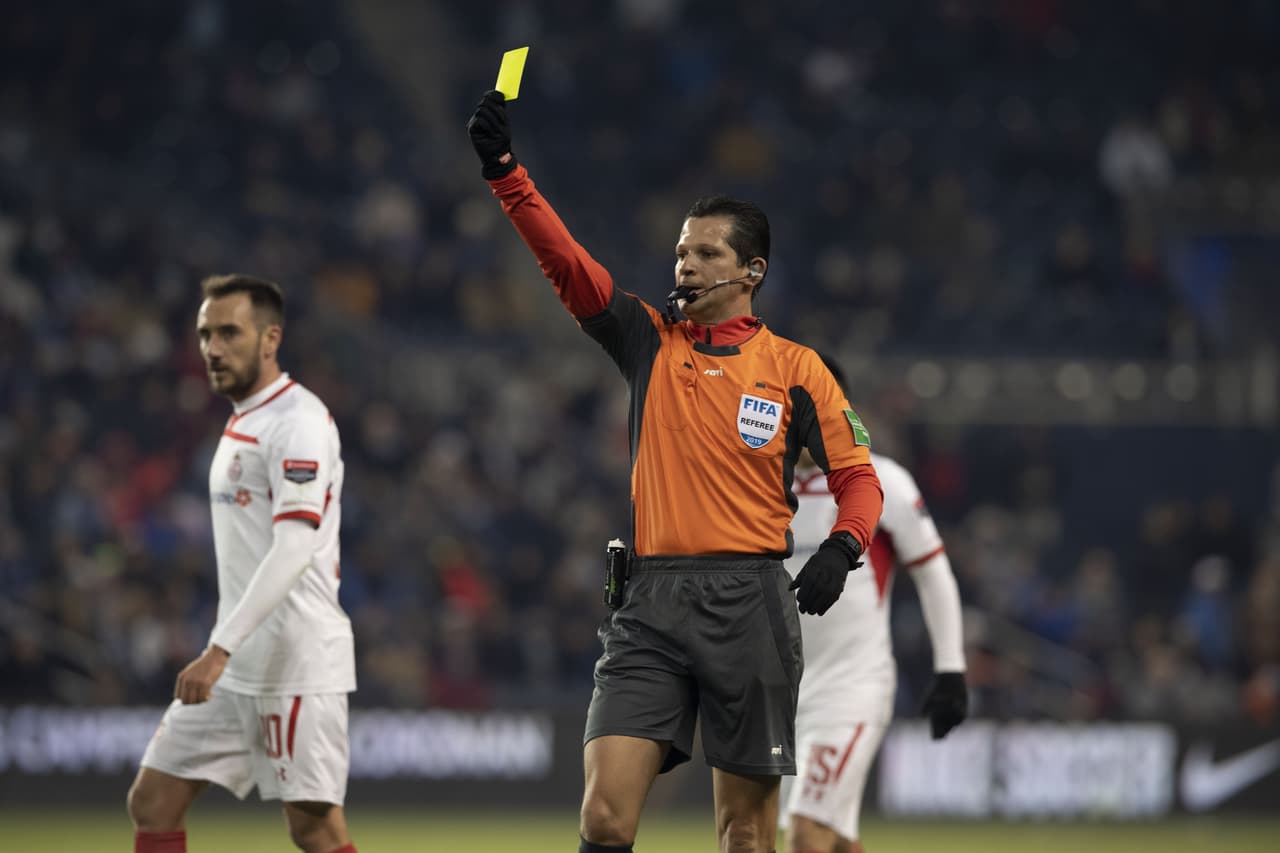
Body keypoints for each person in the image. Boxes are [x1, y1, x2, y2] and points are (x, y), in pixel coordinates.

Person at [467, 91, 884, 853]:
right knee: (603, 817)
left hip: (750, 602)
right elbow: (566, 265)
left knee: (747, 835)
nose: (685, 264)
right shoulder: (648, 340)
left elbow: (861, 476)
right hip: (652, 600)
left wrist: (841, 547)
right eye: (681, 252)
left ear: (751, 271)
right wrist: (506, 174)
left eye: (706, 254)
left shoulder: (797, 369)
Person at [126, 275, 358, 853]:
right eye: (205, 334)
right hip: (239, 665)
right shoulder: (243, 420)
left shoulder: (297, 420)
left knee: (314, 829)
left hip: (294, 662)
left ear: (270, 338)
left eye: (229, 332)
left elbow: (294, 547)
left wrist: (218, 649)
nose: (213, 348)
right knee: (153, 800)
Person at [780, 356, 967, 853]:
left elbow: (932, 572)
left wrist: (950, 669)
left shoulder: (882, 482)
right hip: (775, 695)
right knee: (835, 838)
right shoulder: (757, 490)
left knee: (805, 835)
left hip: (850, 690)